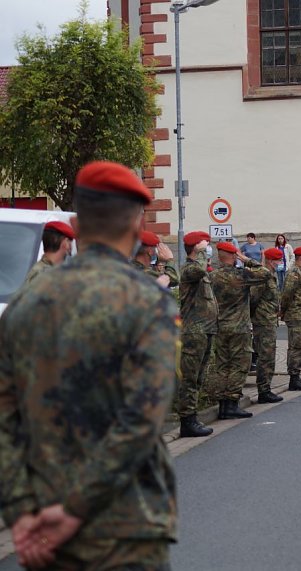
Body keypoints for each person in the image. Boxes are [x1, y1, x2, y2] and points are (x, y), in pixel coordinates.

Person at [0, 161, 177, 569]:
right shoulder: (148, 302)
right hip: (127, 523)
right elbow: (142, 420)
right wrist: (76, 509)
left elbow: (5, 416)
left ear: (76, 225)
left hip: (46, 516)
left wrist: (20, 512)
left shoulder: (26, 302)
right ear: (137, 224)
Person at [210, 241, 269, 419]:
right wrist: (246, 260)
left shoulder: (213, 276)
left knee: (222, 366)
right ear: (234, 256)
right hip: (239, 328)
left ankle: (222, 406)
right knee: (239, 365)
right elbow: (265, 273)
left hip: (220, 326)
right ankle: (232, 403)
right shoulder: (241, 275)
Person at [177, 230, 217, 438]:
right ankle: (187, 420)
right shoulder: (190, 269)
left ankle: (192, 417)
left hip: (205, 330)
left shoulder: (201, 270)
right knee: (190, 378)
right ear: (196, 248)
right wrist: (201, 253)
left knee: (198, 377)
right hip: (194, 331)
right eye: (205, 245)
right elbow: (199, 269)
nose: (208, 249)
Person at [249, 248, 286, 404]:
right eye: (279, 260)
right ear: (271, 261)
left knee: (269, 356)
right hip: (263, 321)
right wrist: (256, 317)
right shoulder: (263, 277)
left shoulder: (271, 276)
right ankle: (263, 390)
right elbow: (253, 299)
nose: (281, 263)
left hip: (269, 321)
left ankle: (266, 388)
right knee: (265, 357)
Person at [279, 246, 301, 391]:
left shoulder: (300, 272)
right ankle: (294, 377)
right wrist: (283, 311)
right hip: (295, 314)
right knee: (296, 346)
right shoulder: (294, 273)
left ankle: (296, 375)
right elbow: (287, 294)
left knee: (300, 345)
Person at [23, 220, 75, 285]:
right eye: (70, 241)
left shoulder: (43, 271)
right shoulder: (44, 275)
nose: (71, 246)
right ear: (66, 242)